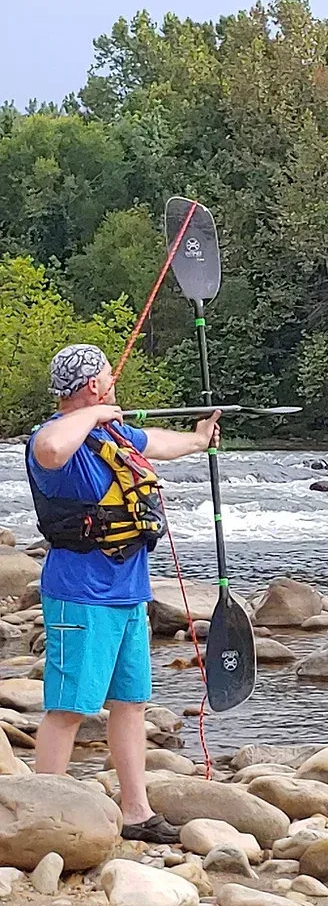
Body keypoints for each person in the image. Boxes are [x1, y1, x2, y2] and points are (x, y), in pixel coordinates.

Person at [25, 344, 221, 843]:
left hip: (128, 591)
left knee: (130, 702)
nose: (114, 380)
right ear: (92, 386)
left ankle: (137, 813)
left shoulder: (112, 434)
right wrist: (91, 412)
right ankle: (43, 812)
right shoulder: (57, 440)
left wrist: (198, 440)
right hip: (79, 594)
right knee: (69, 707)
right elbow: (49, 448)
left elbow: (152, 440)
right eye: (108, 376)